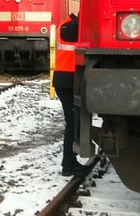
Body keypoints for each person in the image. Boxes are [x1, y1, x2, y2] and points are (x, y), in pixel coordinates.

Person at [53, 13, 87, 177]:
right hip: (67, 81)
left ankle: (71, 161)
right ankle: (68, 164)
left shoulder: (67, 25)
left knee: (74, 122)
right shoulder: (69, 27)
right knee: (72, 123)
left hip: (67, 81)